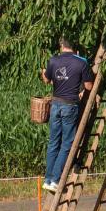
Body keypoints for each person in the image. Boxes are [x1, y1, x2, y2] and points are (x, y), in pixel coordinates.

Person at [40, 38, 95, 193]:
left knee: (53, 143)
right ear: (74, 48)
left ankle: (48, 178)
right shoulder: (82, 62)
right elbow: (89, 85)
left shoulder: (53, 60)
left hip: (55, 105)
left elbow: (47, 80)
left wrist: (43, 73)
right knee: (67, 143)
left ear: (61, 46)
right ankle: (56, 180)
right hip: (70, 105)